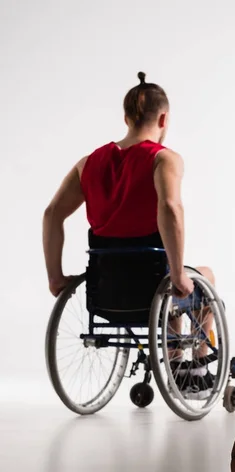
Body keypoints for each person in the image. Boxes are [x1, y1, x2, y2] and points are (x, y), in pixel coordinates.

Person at [42, 72, 215, 396]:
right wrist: (178, 274)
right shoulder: (163, 159)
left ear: (126, 118)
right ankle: (194, 365)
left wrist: (55, 277)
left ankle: (176, 353)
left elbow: (52, 214)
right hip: (153, 284)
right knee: (202, 277)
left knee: (164, 278)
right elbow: (170, 208)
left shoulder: (88, 163)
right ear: (163, 118)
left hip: (106, 289)